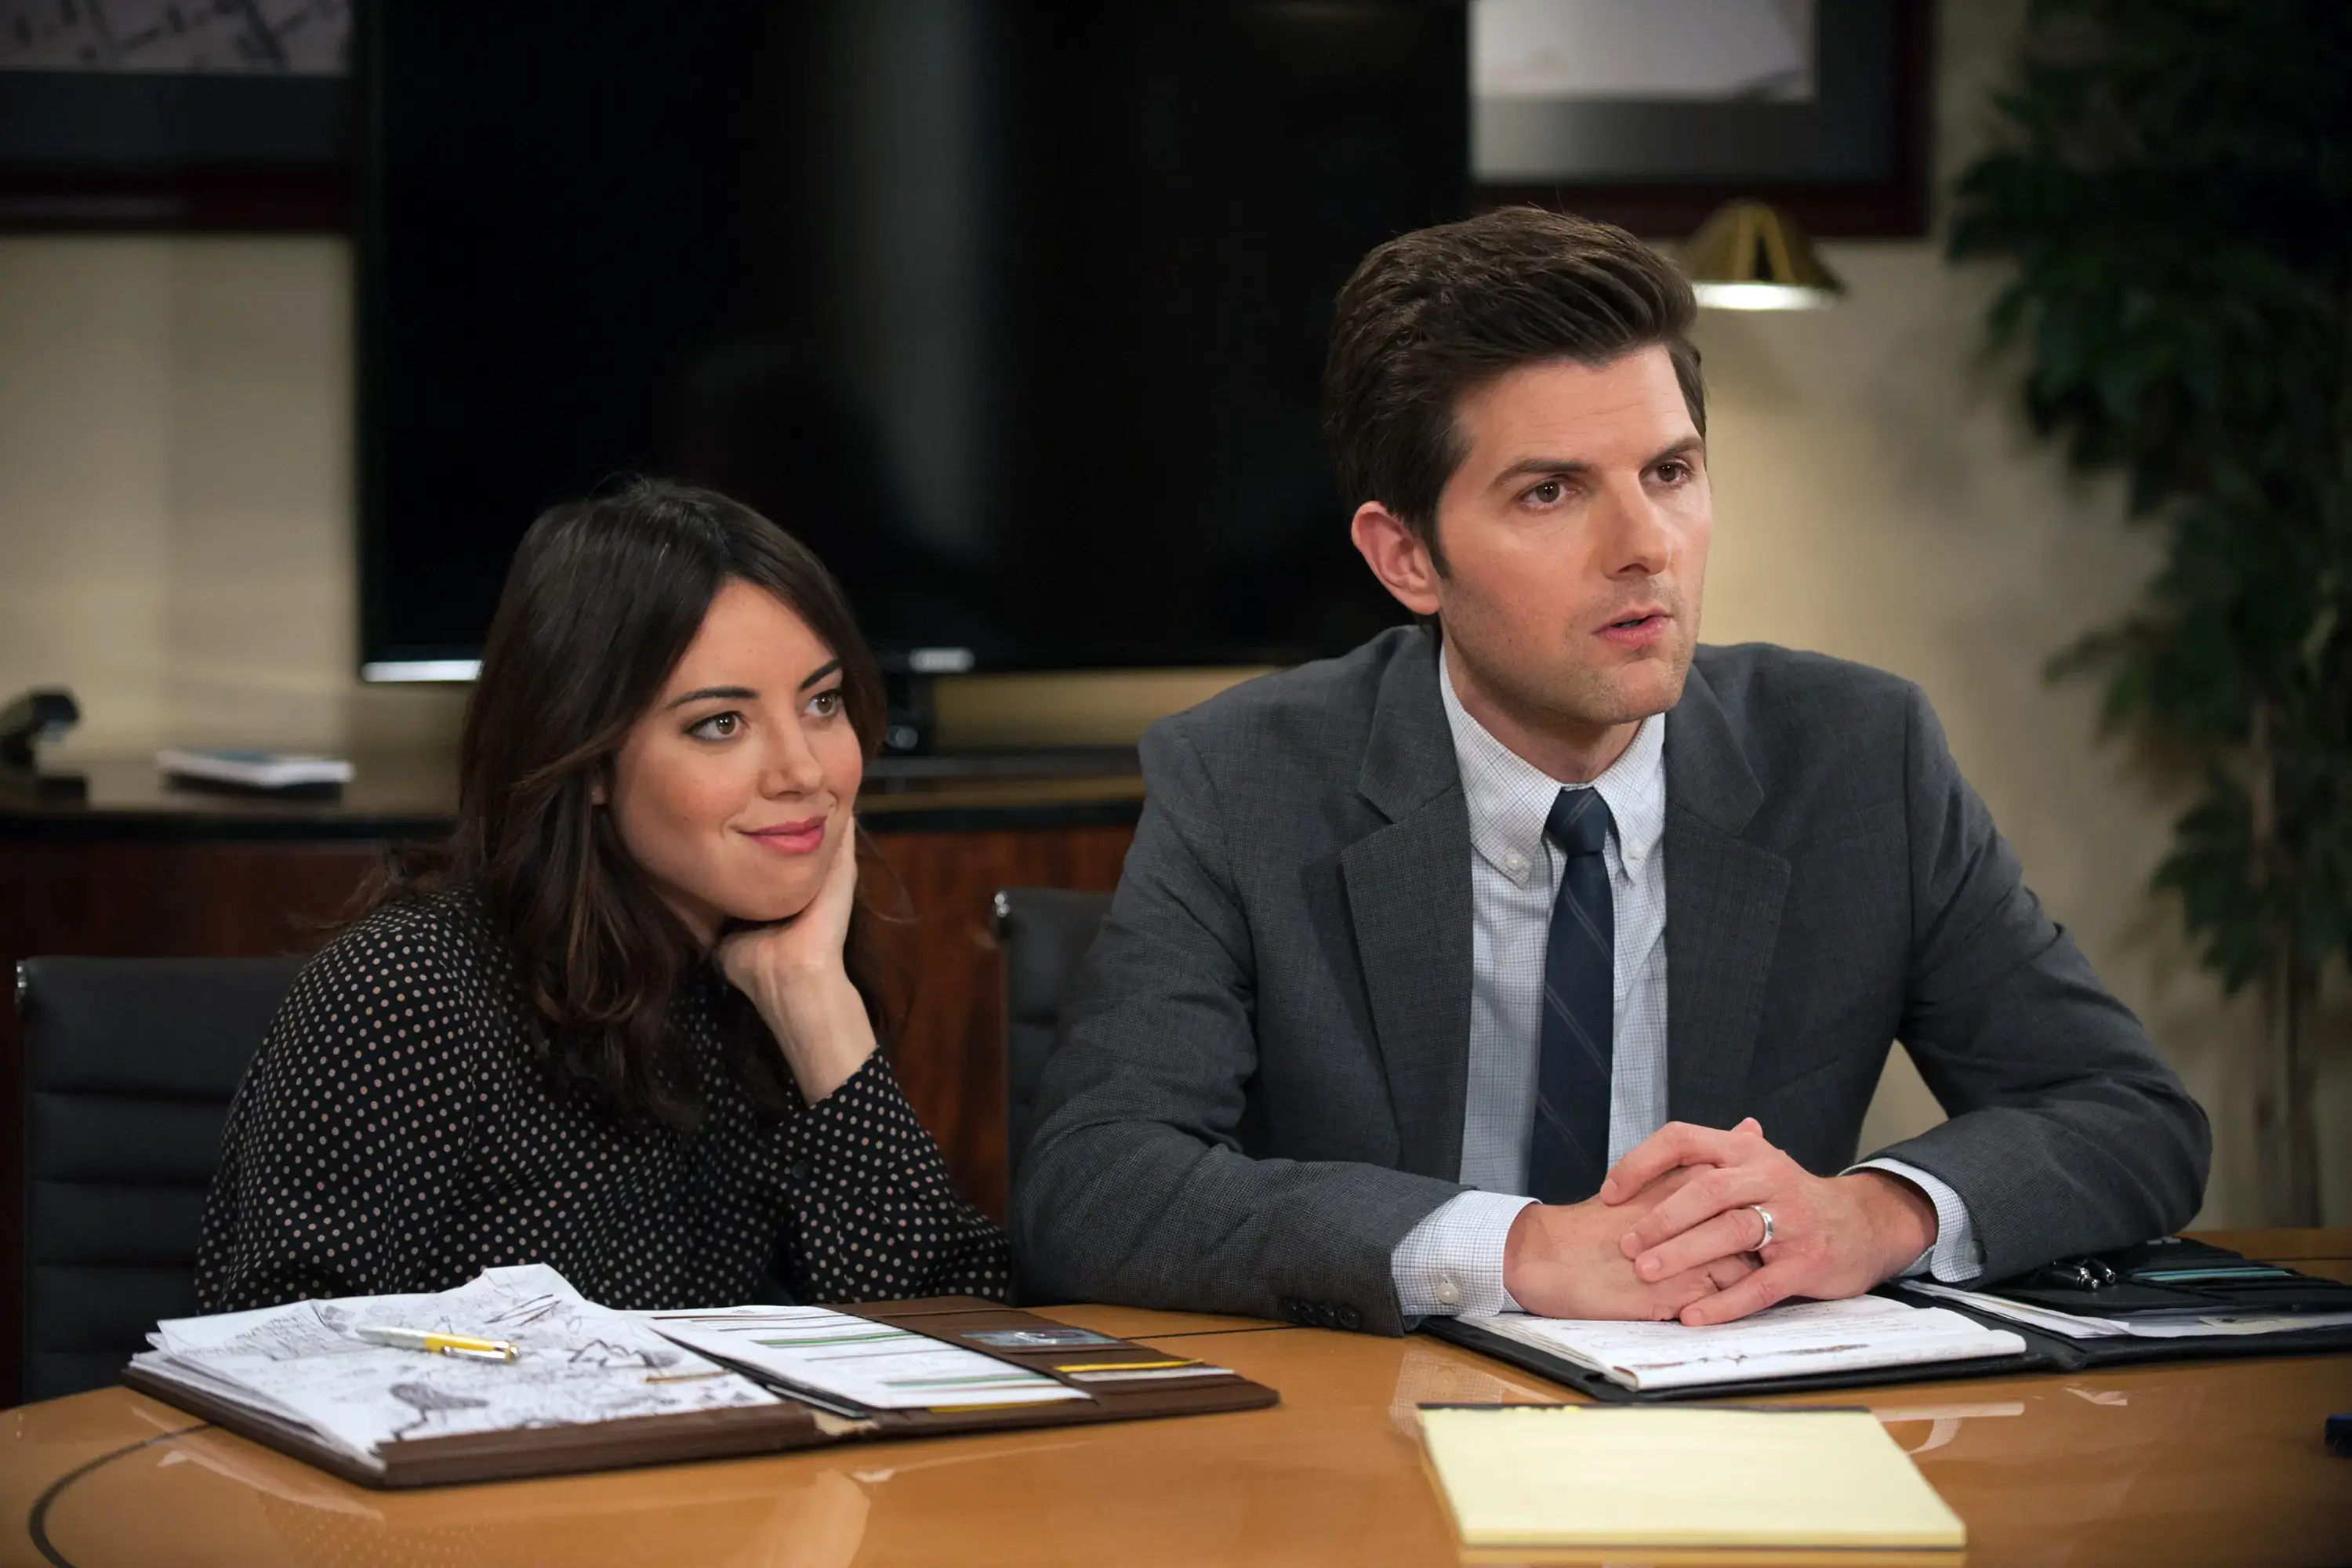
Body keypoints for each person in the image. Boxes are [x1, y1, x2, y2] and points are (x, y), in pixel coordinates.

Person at [1015, 208, 2209, 1335]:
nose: (1645, 547)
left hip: (1746, 1442)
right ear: (1405, 558)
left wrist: (1873, 1214)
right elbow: (1097, 1184)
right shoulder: (1248, 778)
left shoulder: (1859, 758)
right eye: (1551, 491)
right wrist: (1513, 1249)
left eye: (1671, 474)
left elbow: (2130, 1118)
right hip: (1382, 1452)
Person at [197, 481, 1008, 1312]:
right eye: (721, 723)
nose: (803, 770)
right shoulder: (410, 990)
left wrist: (816, 1010)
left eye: (822, 702)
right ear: (586, 759)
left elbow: (957, 1328)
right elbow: (275, 1359)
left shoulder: (778, 980)